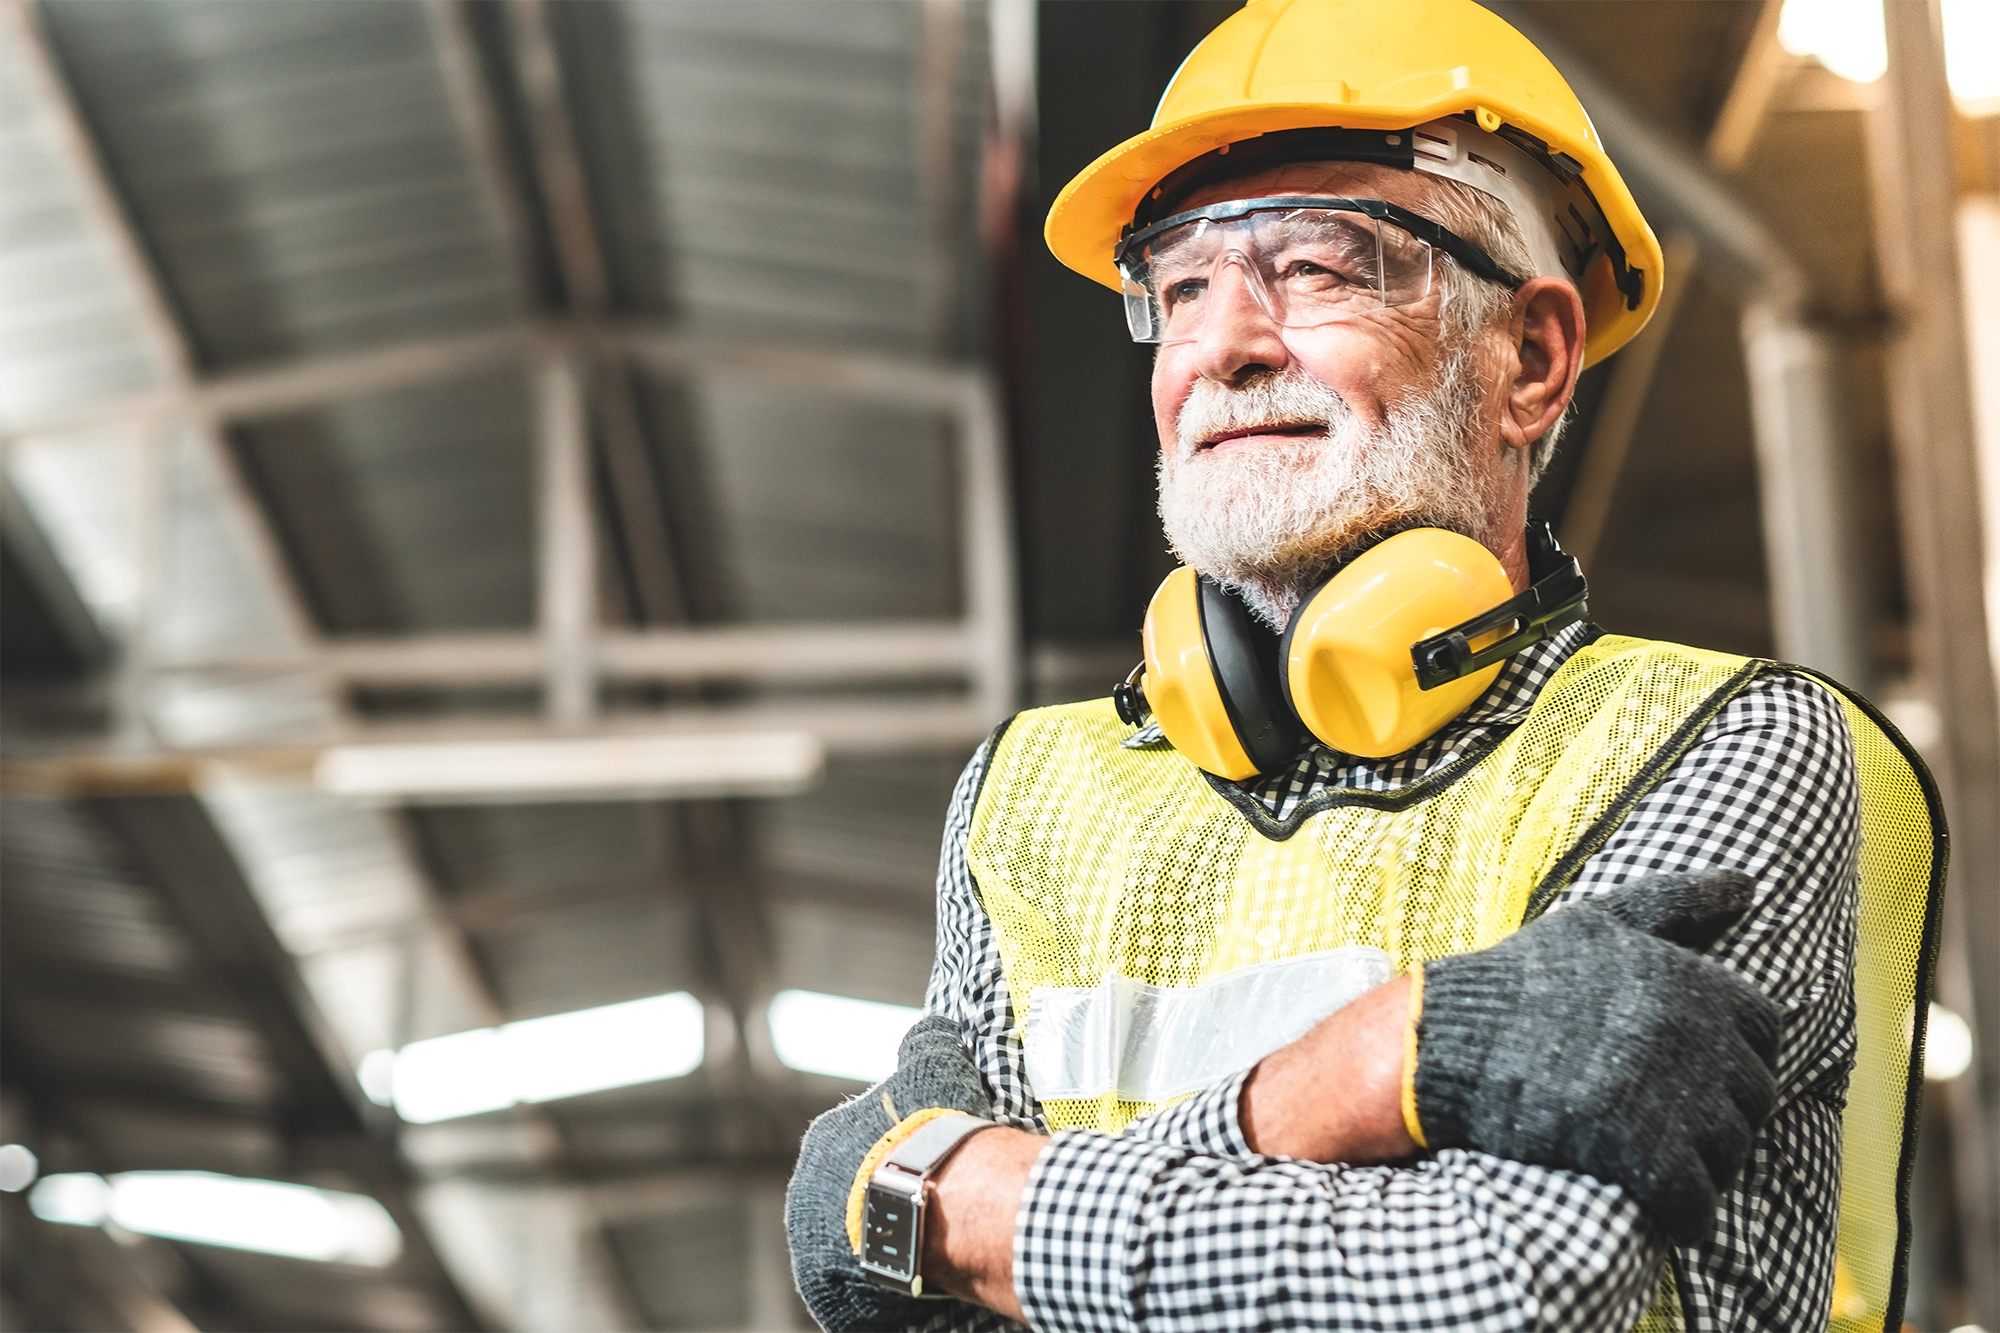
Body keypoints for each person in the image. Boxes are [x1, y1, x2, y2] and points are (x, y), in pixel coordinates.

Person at [785, 3, 1941, 1331]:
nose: (1222, 345)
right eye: (1181, 290)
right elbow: (874, 1288)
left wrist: (965, 1208)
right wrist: (1344, 1083)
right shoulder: (1032, 797)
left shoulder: (1726, 746)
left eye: (1321, 268)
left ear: (1534, 358)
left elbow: (1497, 1290)